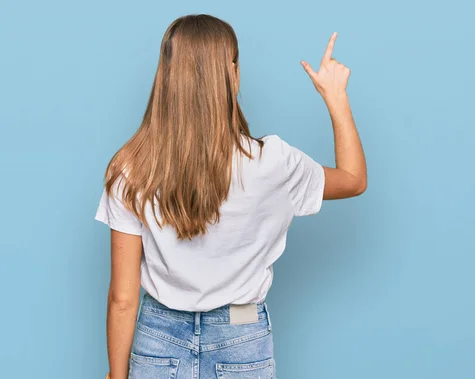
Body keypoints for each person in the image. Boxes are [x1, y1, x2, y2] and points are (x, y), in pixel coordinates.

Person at [95, 14, 366, 379]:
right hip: (242, 337)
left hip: (157, 338)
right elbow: (352, 180)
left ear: (167, 77)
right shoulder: (273, 162)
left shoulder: (131, 167)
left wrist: (115, 376)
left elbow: (123, 299)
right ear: (233, 75)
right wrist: (336, 99)